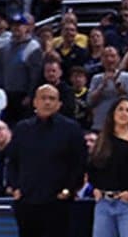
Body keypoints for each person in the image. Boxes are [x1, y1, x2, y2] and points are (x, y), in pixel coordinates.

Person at [9, 85, 86, 237]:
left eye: (52, 99)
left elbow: (79, 163)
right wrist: (15, 188)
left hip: (58, 203)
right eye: (43, 98)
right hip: (27, 201)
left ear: (59, 104)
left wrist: (69, 190)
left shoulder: (71, 129)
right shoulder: (22, 128)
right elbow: (12, 161)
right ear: (35, 102)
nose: (47, 102)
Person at [87, 97, 128, 237]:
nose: (123, 113)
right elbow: (93, 167)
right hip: (104, 203)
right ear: (113, 113)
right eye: (120, 109)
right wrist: (95, 188)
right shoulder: (103, 138)